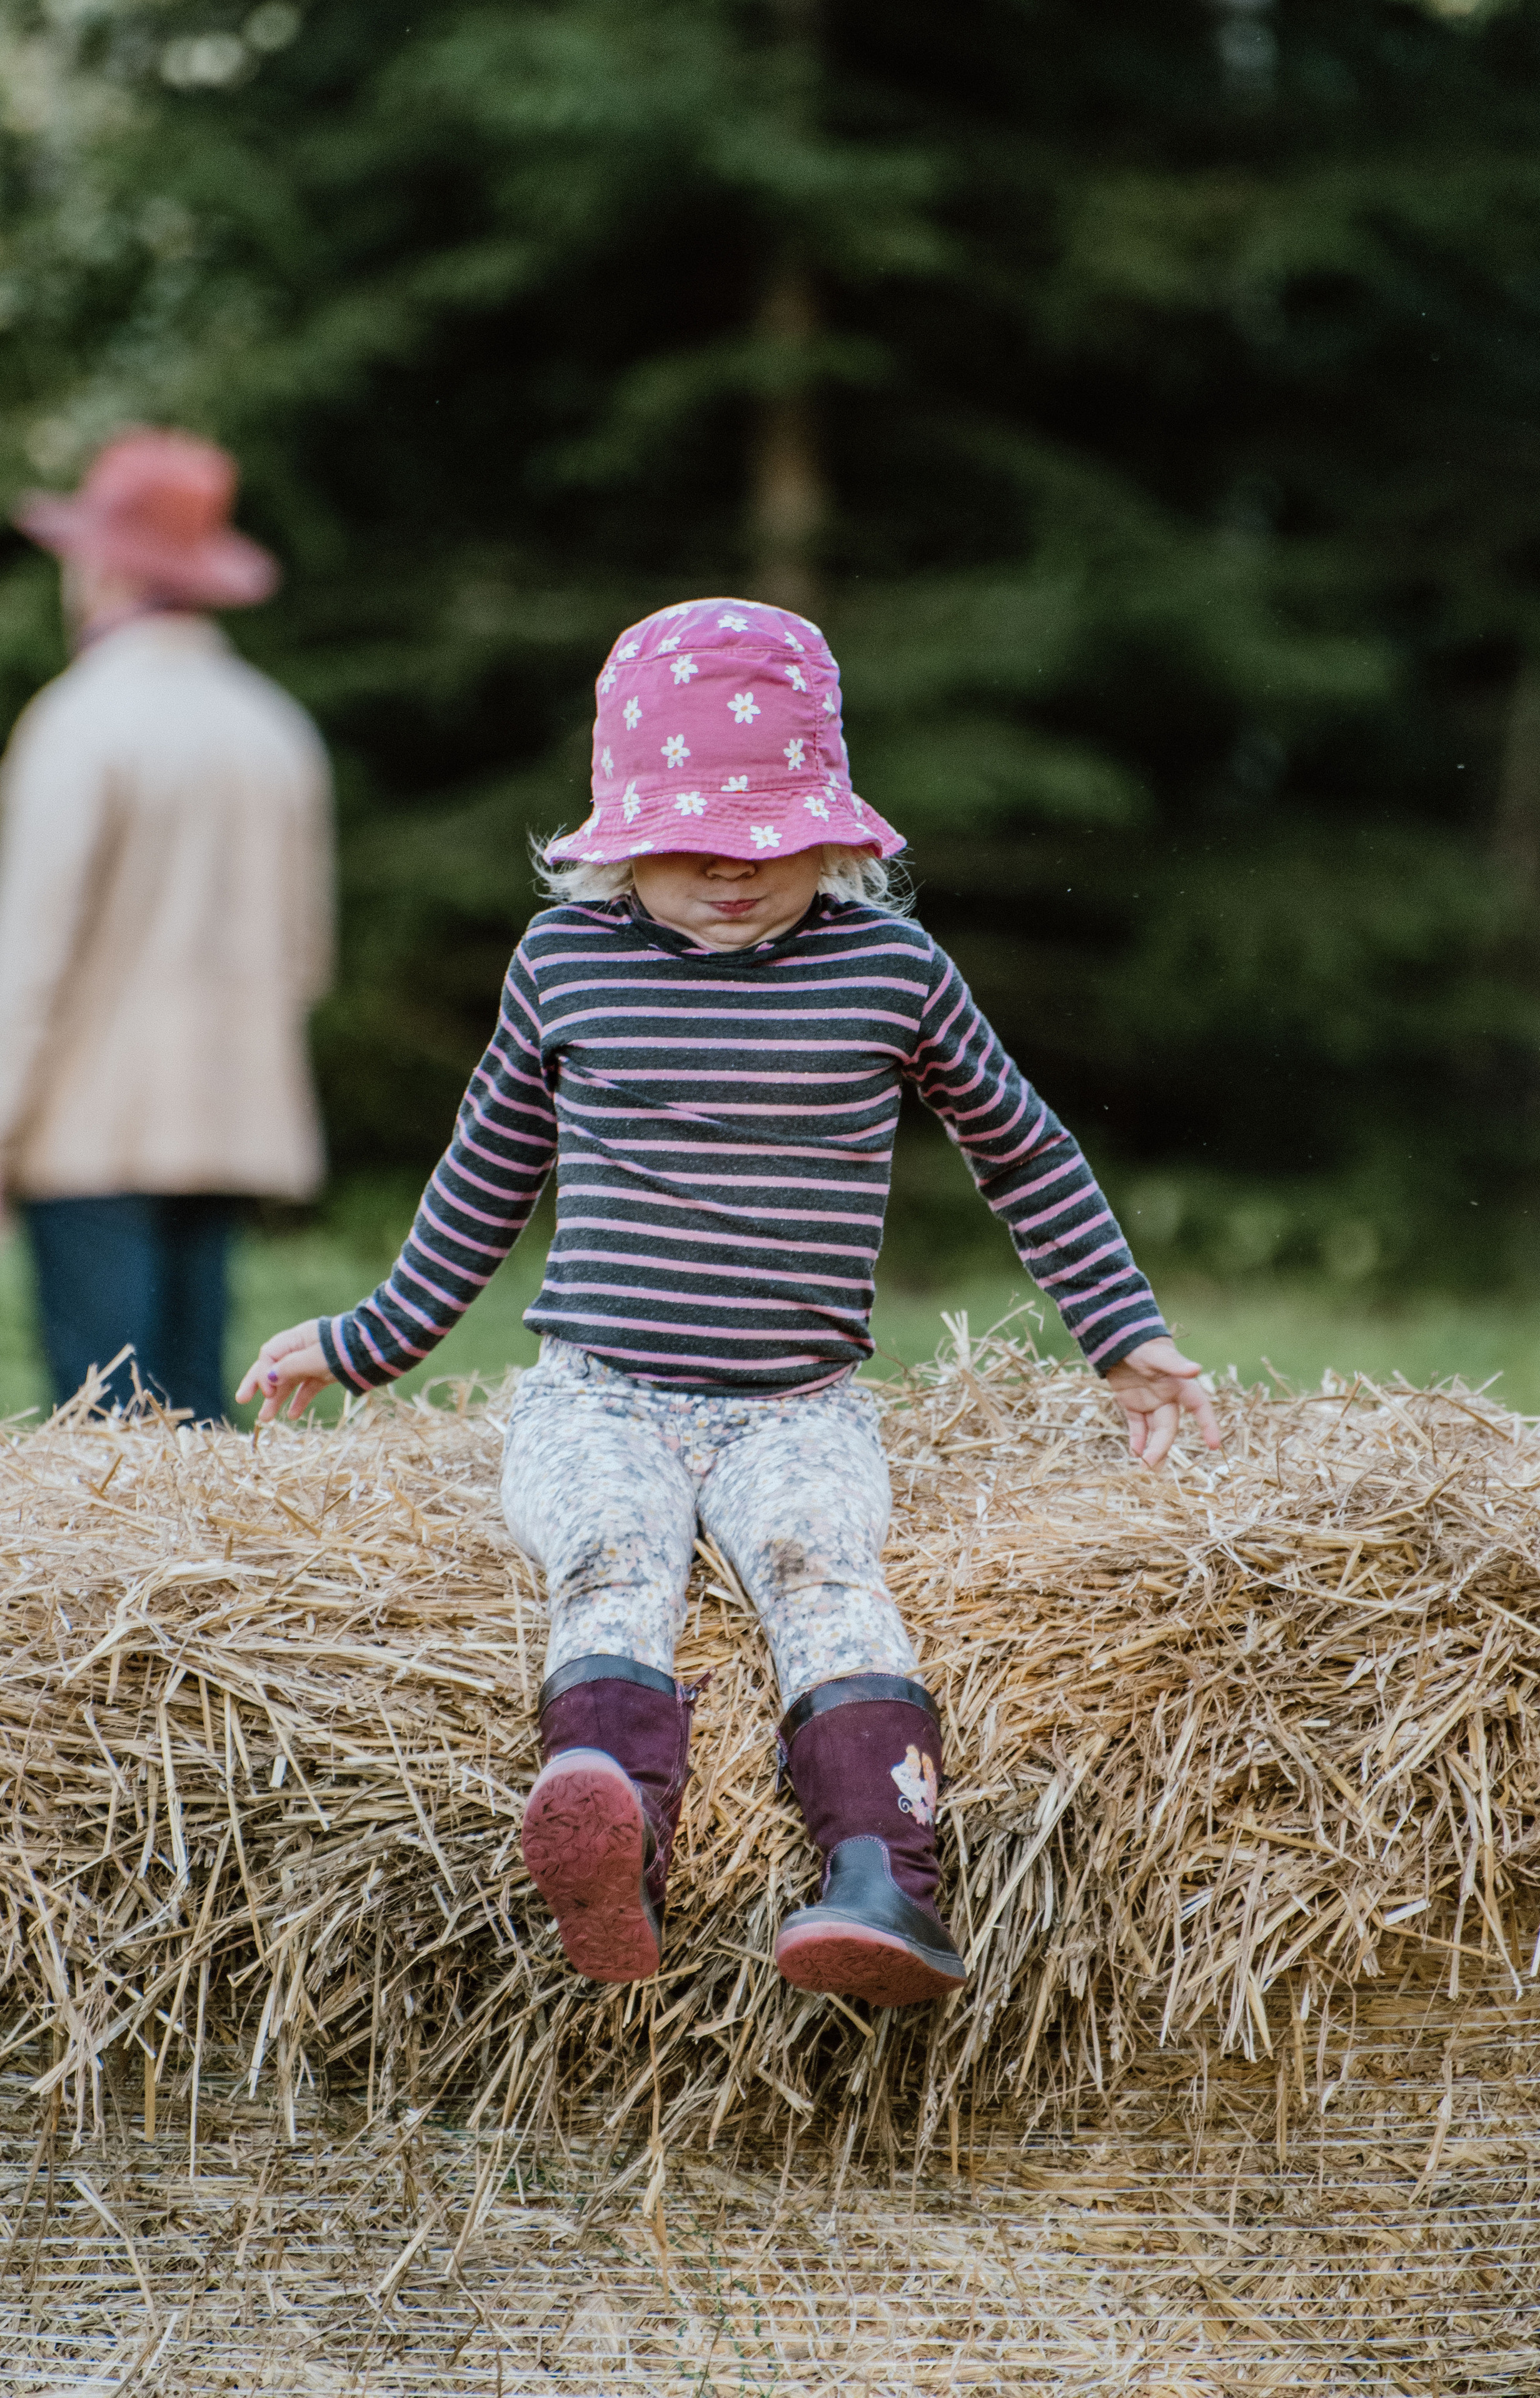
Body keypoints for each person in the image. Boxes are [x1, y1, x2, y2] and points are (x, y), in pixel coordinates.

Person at [236, 597, 1218, 2007]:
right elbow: (482, 1181)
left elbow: (1022, 1149)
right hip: (600, 1390)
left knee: (827, 1573)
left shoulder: (889, 971)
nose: (730, 872)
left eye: (765, 838)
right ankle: (609, 1843)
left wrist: (1125, 1338)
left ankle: (885, 1881)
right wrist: (367, 1340)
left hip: (795, 1403)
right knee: (609, 1557)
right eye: (685, 844)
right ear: (615, 836)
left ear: (834, 826)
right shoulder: (563, 968)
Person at [0, 428, 334, 1426]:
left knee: (106, 1443)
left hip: (93, 1133)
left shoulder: (78, 722)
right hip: (231, 1123)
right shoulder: (273, 726)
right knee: (197, 1433)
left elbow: (31, 960)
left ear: (101, 565)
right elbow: (305, 956)